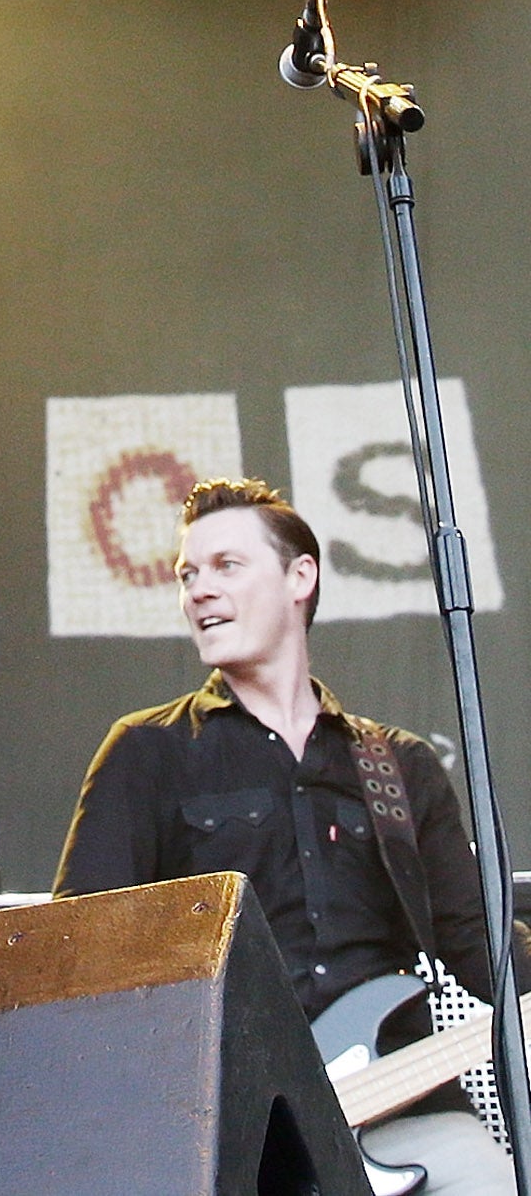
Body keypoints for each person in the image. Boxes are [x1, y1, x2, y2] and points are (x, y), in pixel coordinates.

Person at [56, 477, 523, 1192]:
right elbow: (79, 955)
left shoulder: (397, 764)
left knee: (487, 1179)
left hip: (400, 1099)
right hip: (234, 1119)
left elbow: (477, 943)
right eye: (188, 574)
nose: (199, 590)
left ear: (299, 576)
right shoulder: (147, 752)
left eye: (226, 566)